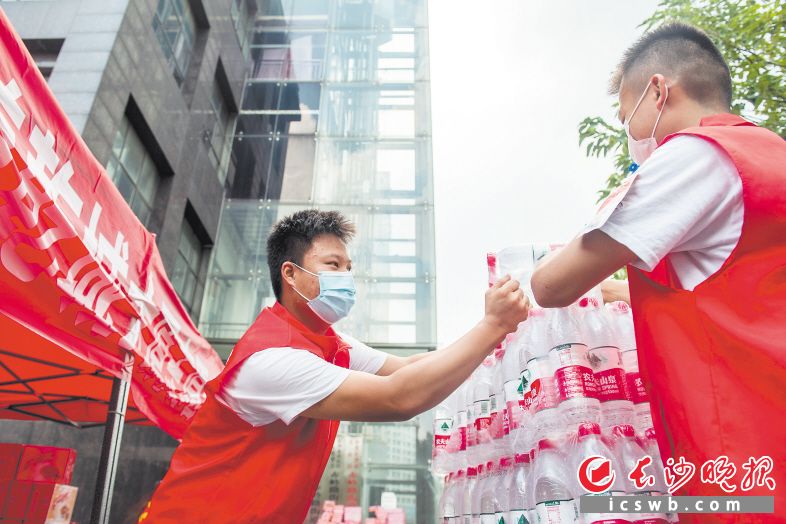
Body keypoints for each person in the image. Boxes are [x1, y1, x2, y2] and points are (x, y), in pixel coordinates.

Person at [531, 23, 786, 522]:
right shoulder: (769, 154)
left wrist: (539, 265)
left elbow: (552, 285)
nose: (630, 133)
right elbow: (734, 284)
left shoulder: (694, 155)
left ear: (659, 90)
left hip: (741, 449)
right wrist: (624, 291)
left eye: (627, 117)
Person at [143, 209, 530, 523]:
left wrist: (498, 339)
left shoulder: (329, 342)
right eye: (332, 264)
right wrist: (493, 326)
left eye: (348, 267)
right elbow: (400, 398)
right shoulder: (271, 359)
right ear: (290, 273)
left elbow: (409, 367)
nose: (346, 278)